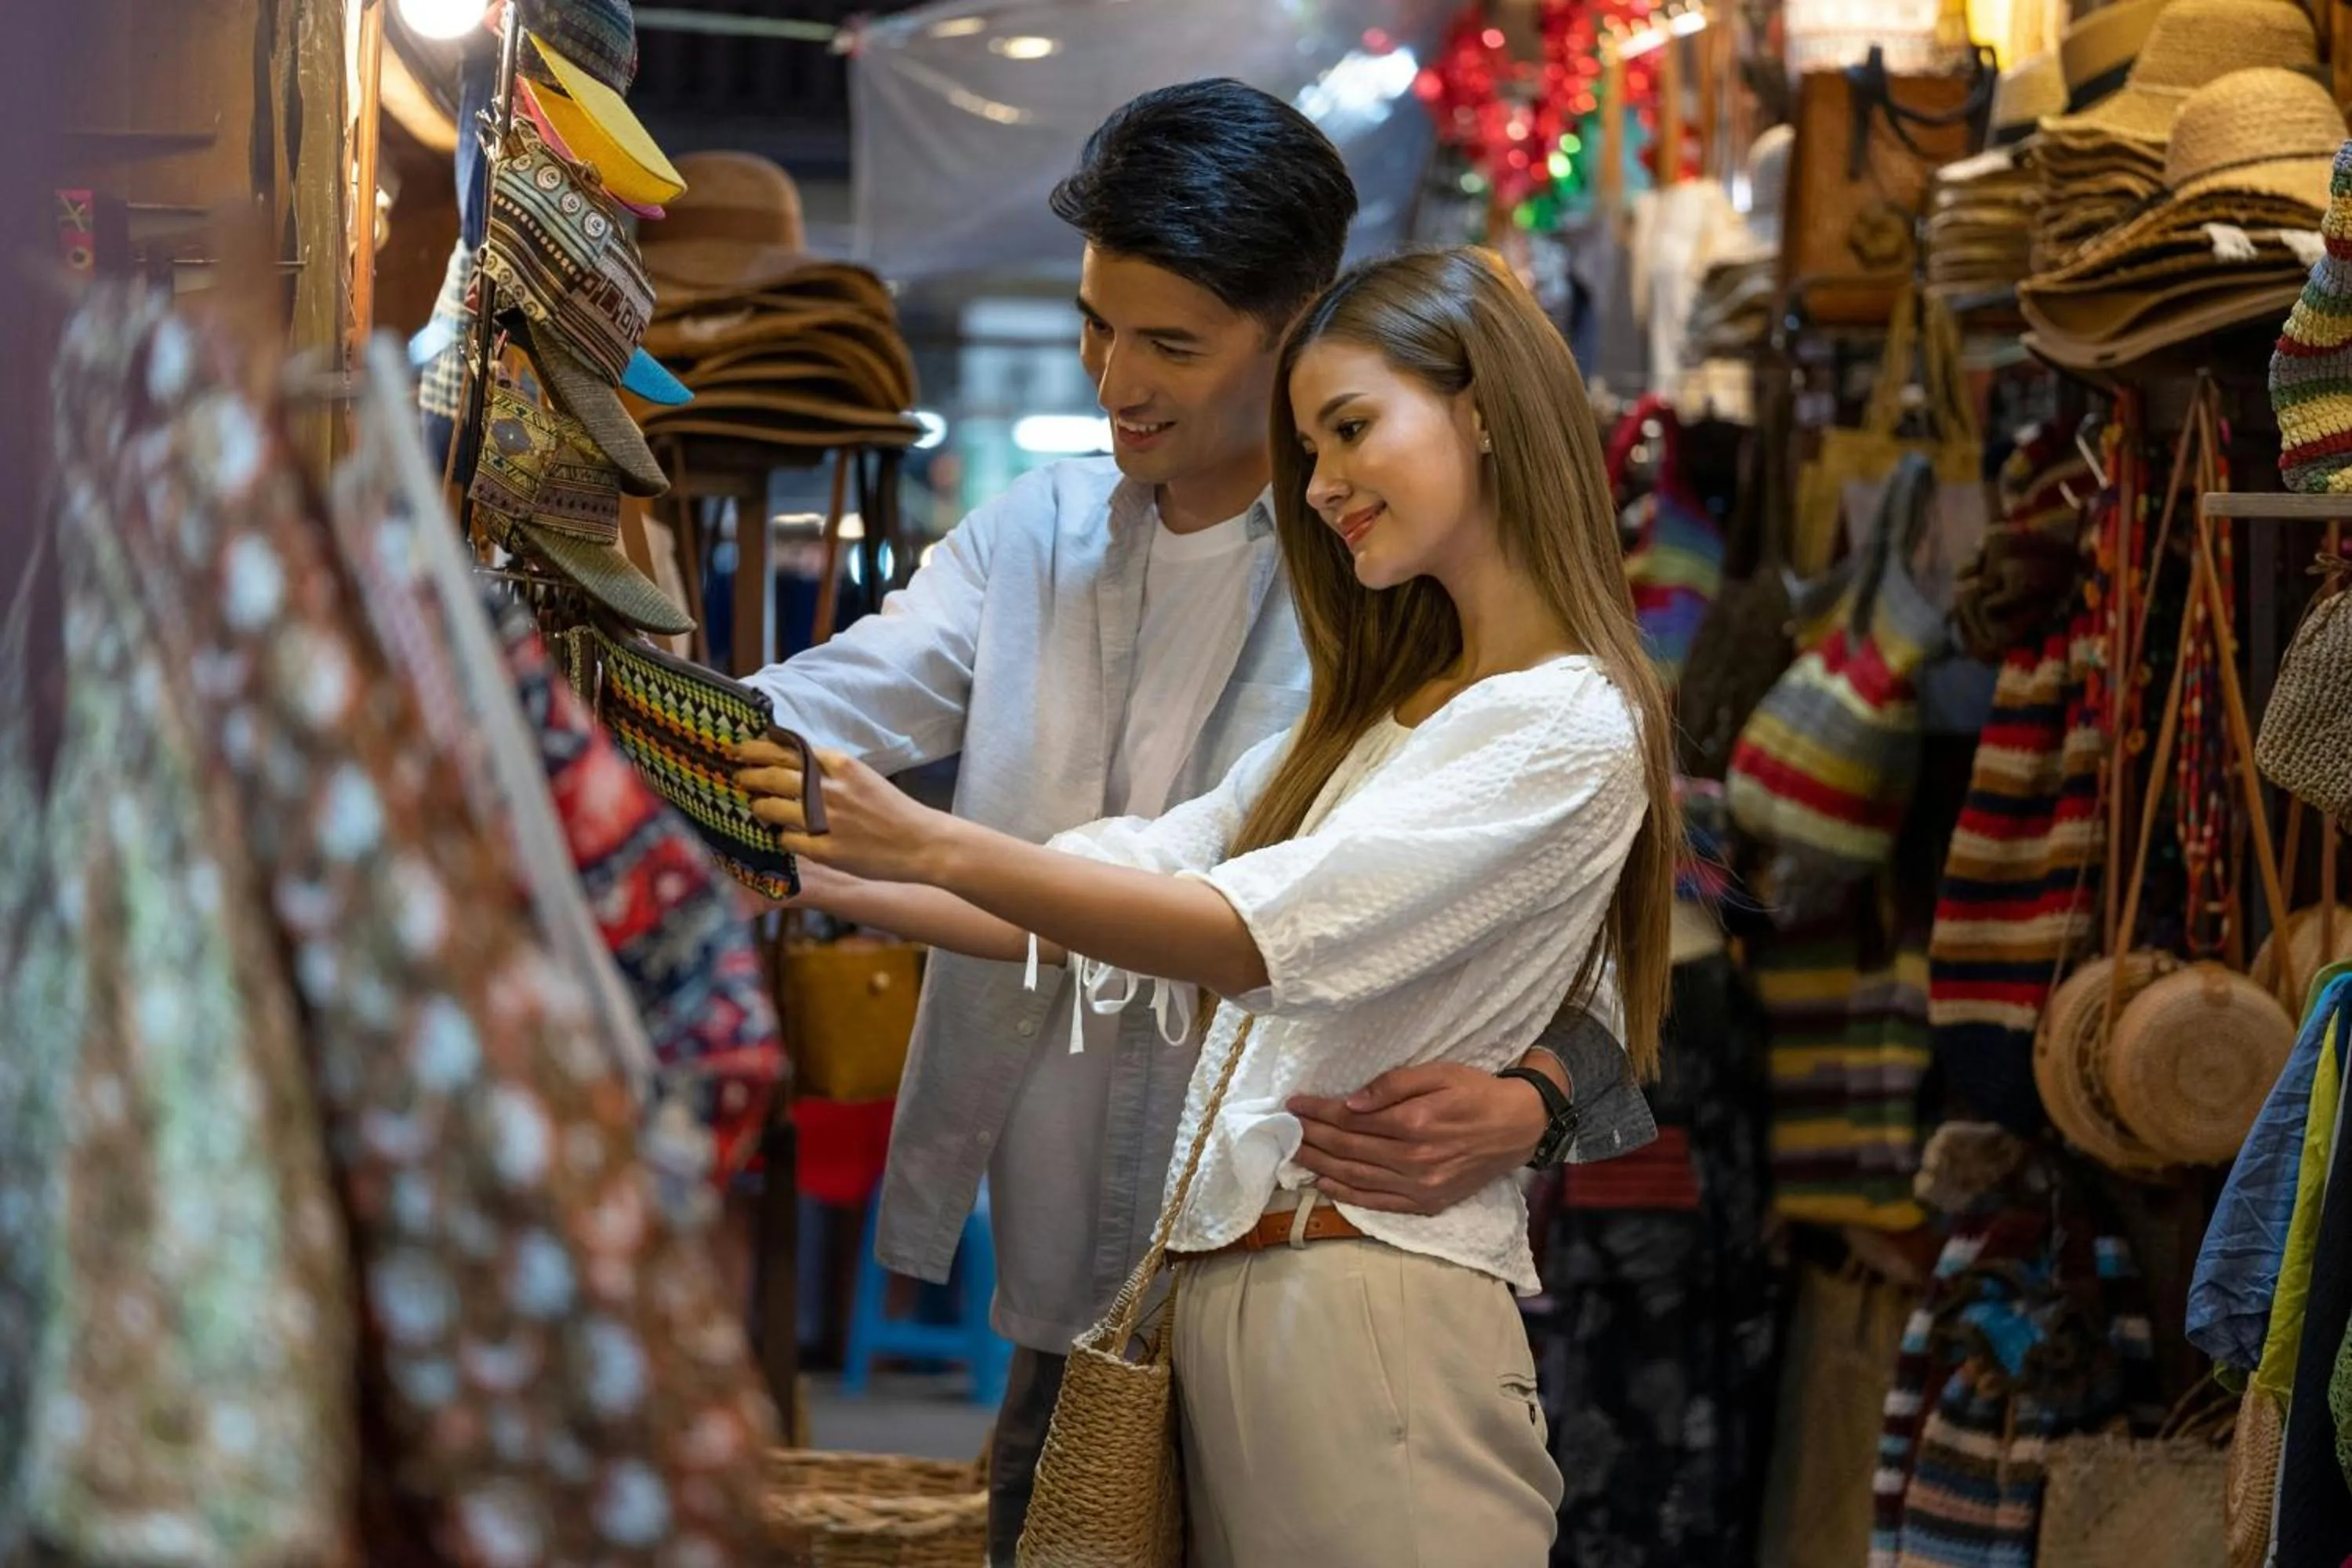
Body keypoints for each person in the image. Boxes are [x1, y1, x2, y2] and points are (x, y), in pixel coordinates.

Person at [733, 82, 1628, 1557]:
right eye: (1096, 326)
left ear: (1294, 335)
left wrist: (1541, 1094)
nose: (1114, 381)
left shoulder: (1391, 602)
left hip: (1327, 1252)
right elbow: (855, 718)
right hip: (1103, 1252)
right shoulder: (1044, 532)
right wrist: (672, 751)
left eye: (1170, 343)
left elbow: (1580, 933)